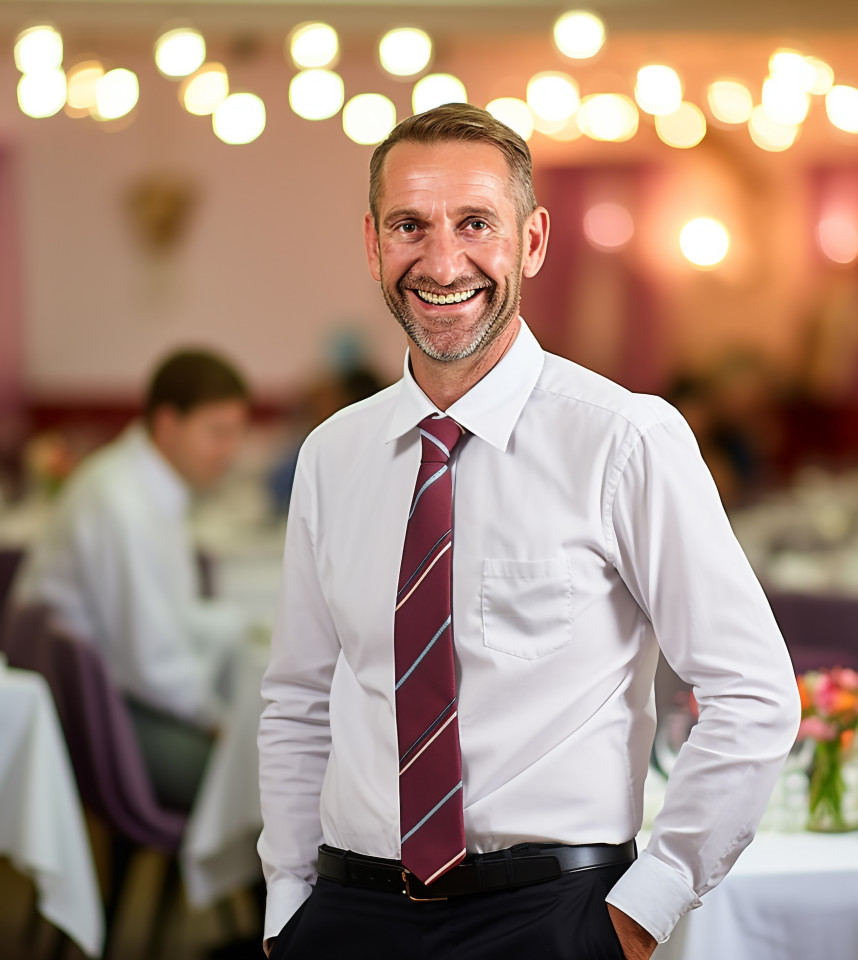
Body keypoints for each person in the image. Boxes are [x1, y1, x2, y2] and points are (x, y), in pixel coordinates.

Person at [258, 104, 800, 960]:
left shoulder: (626, 440)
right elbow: (297, 698)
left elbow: (754, 692)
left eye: (476, 223)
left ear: (534, 240)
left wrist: (644, 910)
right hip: (347, 913)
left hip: (552, 919)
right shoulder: (333, 455)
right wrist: (288, 902)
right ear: (373, 245)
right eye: (410, 225)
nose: (443, 260)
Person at [14, 348, 250, 810]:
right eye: (217, 433)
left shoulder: (144, 485)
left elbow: (166, 621)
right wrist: (218, 722)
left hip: (112, 696)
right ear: (167, 425)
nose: (230, 452)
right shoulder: (122, 503)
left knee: (266, 751)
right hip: (100, 724)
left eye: (236, 433)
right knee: (271, 781)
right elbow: (151, 663)